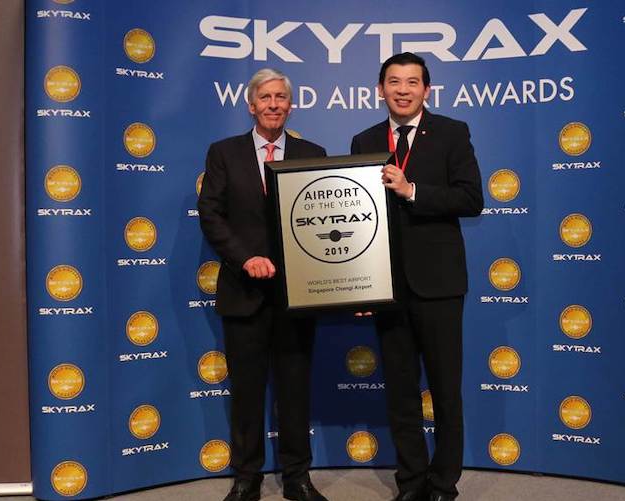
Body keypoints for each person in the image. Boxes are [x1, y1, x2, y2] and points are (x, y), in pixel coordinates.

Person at [350, 52, 483, 501]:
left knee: (446, 392)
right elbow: (359, 220)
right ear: (380, 89)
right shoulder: (364, 139)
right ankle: (410, 482)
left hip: (440, 285)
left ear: (427, 90)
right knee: (401, 392)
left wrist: (413, 191)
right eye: (393, 81)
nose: (402, 89)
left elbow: (471, 199)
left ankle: (444, 483)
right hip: (387, 288)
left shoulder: (451, 132)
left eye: (412, 82)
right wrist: (362, 284)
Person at [199, 68, 328, 501]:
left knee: (295, 391)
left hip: (298, 295)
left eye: (281, 98)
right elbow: (211, 214)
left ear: (290, 105)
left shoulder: (313, 152)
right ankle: (247, 477)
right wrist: (245, 258)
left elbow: (323, 220)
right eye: (265, 98)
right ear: (251, 105)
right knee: (247, 393)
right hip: (244, 292)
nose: (273, 104)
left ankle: (298, 477)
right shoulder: (223, 152)